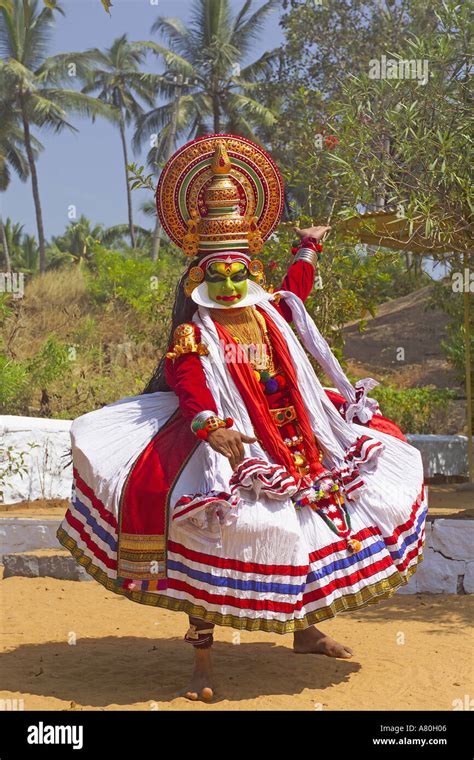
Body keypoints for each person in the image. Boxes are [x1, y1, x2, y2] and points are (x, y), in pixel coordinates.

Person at [57, 134, 426, 703]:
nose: (229, 284)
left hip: (298, 438)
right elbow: (188, 379)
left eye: (238, 272)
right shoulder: (193, 330)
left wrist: (308, 248)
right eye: (218, 275)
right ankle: (203, 662)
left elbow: (295, 294)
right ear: (198, 276)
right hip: (225, 444)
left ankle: (304, 631)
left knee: (309, 531)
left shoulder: (270, 308)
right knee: (222, 538)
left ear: (249, 268)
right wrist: (210, 425)